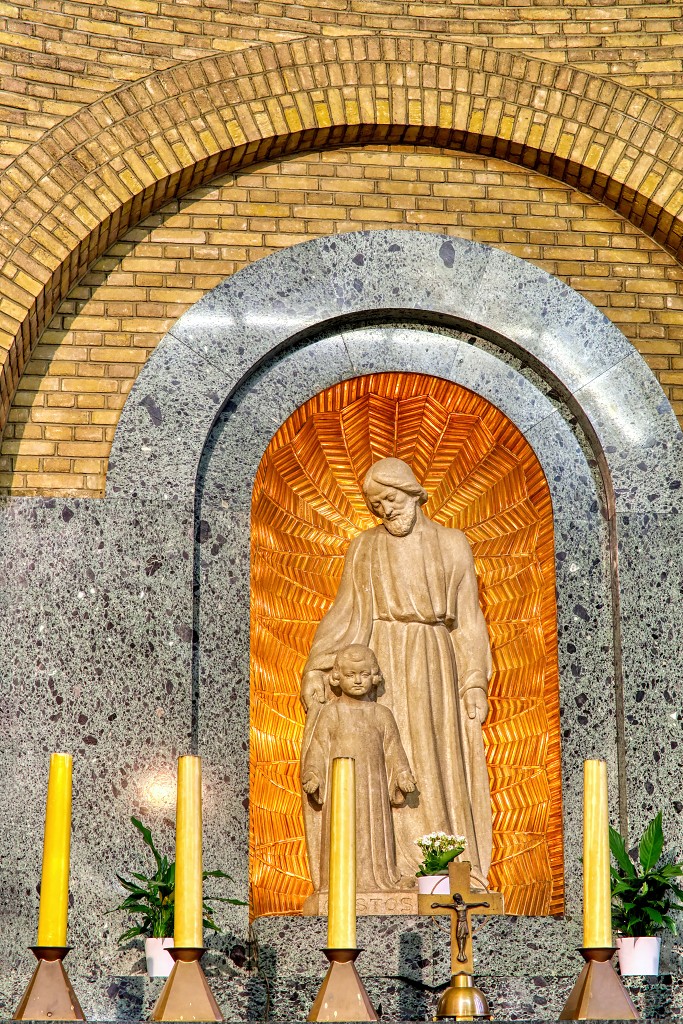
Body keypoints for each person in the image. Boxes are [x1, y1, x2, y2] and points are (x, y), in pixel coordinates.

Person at [300, 457, 493, 888]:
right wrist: (318, 666)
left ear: (411, 492)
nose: (385, 510)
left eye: (389, 498)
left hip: (432, 658)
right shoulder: (365, 547)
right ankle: (381, 867)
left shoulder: (452, 544)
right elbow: (345, 611)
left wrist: (474, 681)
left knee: (432, 755)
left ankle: (442, 864)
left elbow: (468, 620)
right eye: (376, 505)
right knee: (381, 751)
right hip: (379, 654)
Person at [301, 644, 416, 893]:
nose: (357, 681)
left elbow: (394, 749)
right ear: (336, 677)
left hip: (374, 788)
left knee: (374, 833)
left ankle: (381, 879)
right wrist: (313, 775)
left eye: (364, 674)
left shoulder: (381, 714)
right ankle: (339, 884)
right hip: (341, 790)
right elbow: (318, 748)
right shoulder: (332, 712)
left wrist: (402, 774)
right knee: (343, 832)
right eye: (350, 675)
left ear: (374, 677)